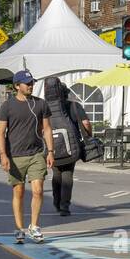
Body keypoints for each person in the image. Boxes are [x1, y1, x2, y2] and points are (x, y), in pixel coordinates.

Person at [0, 70, 55, 244]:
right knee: (19, 192)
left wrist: (50, 151)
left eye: (32, 83)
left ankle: (34, 226)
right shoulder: (7, 106)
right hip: (15, 155)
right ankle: (19, 229)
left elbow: (47, 129)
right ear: (17, 86)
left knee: (38, 190)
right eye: (27, 83)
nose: (30, 86)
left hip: (36, 153)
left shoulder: (41, 104)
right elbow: (1, 133)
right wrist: (3, 155)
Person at [44, 77, 91, 216]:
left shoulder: (46, 106)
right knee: (68, 174)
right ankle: (65, 206)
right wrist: (89, 136)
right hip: (71, 146)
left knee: (57, 174)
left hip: (52, 146)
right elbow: (86, 123)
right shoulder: (74, 106)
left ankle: (56, 202)